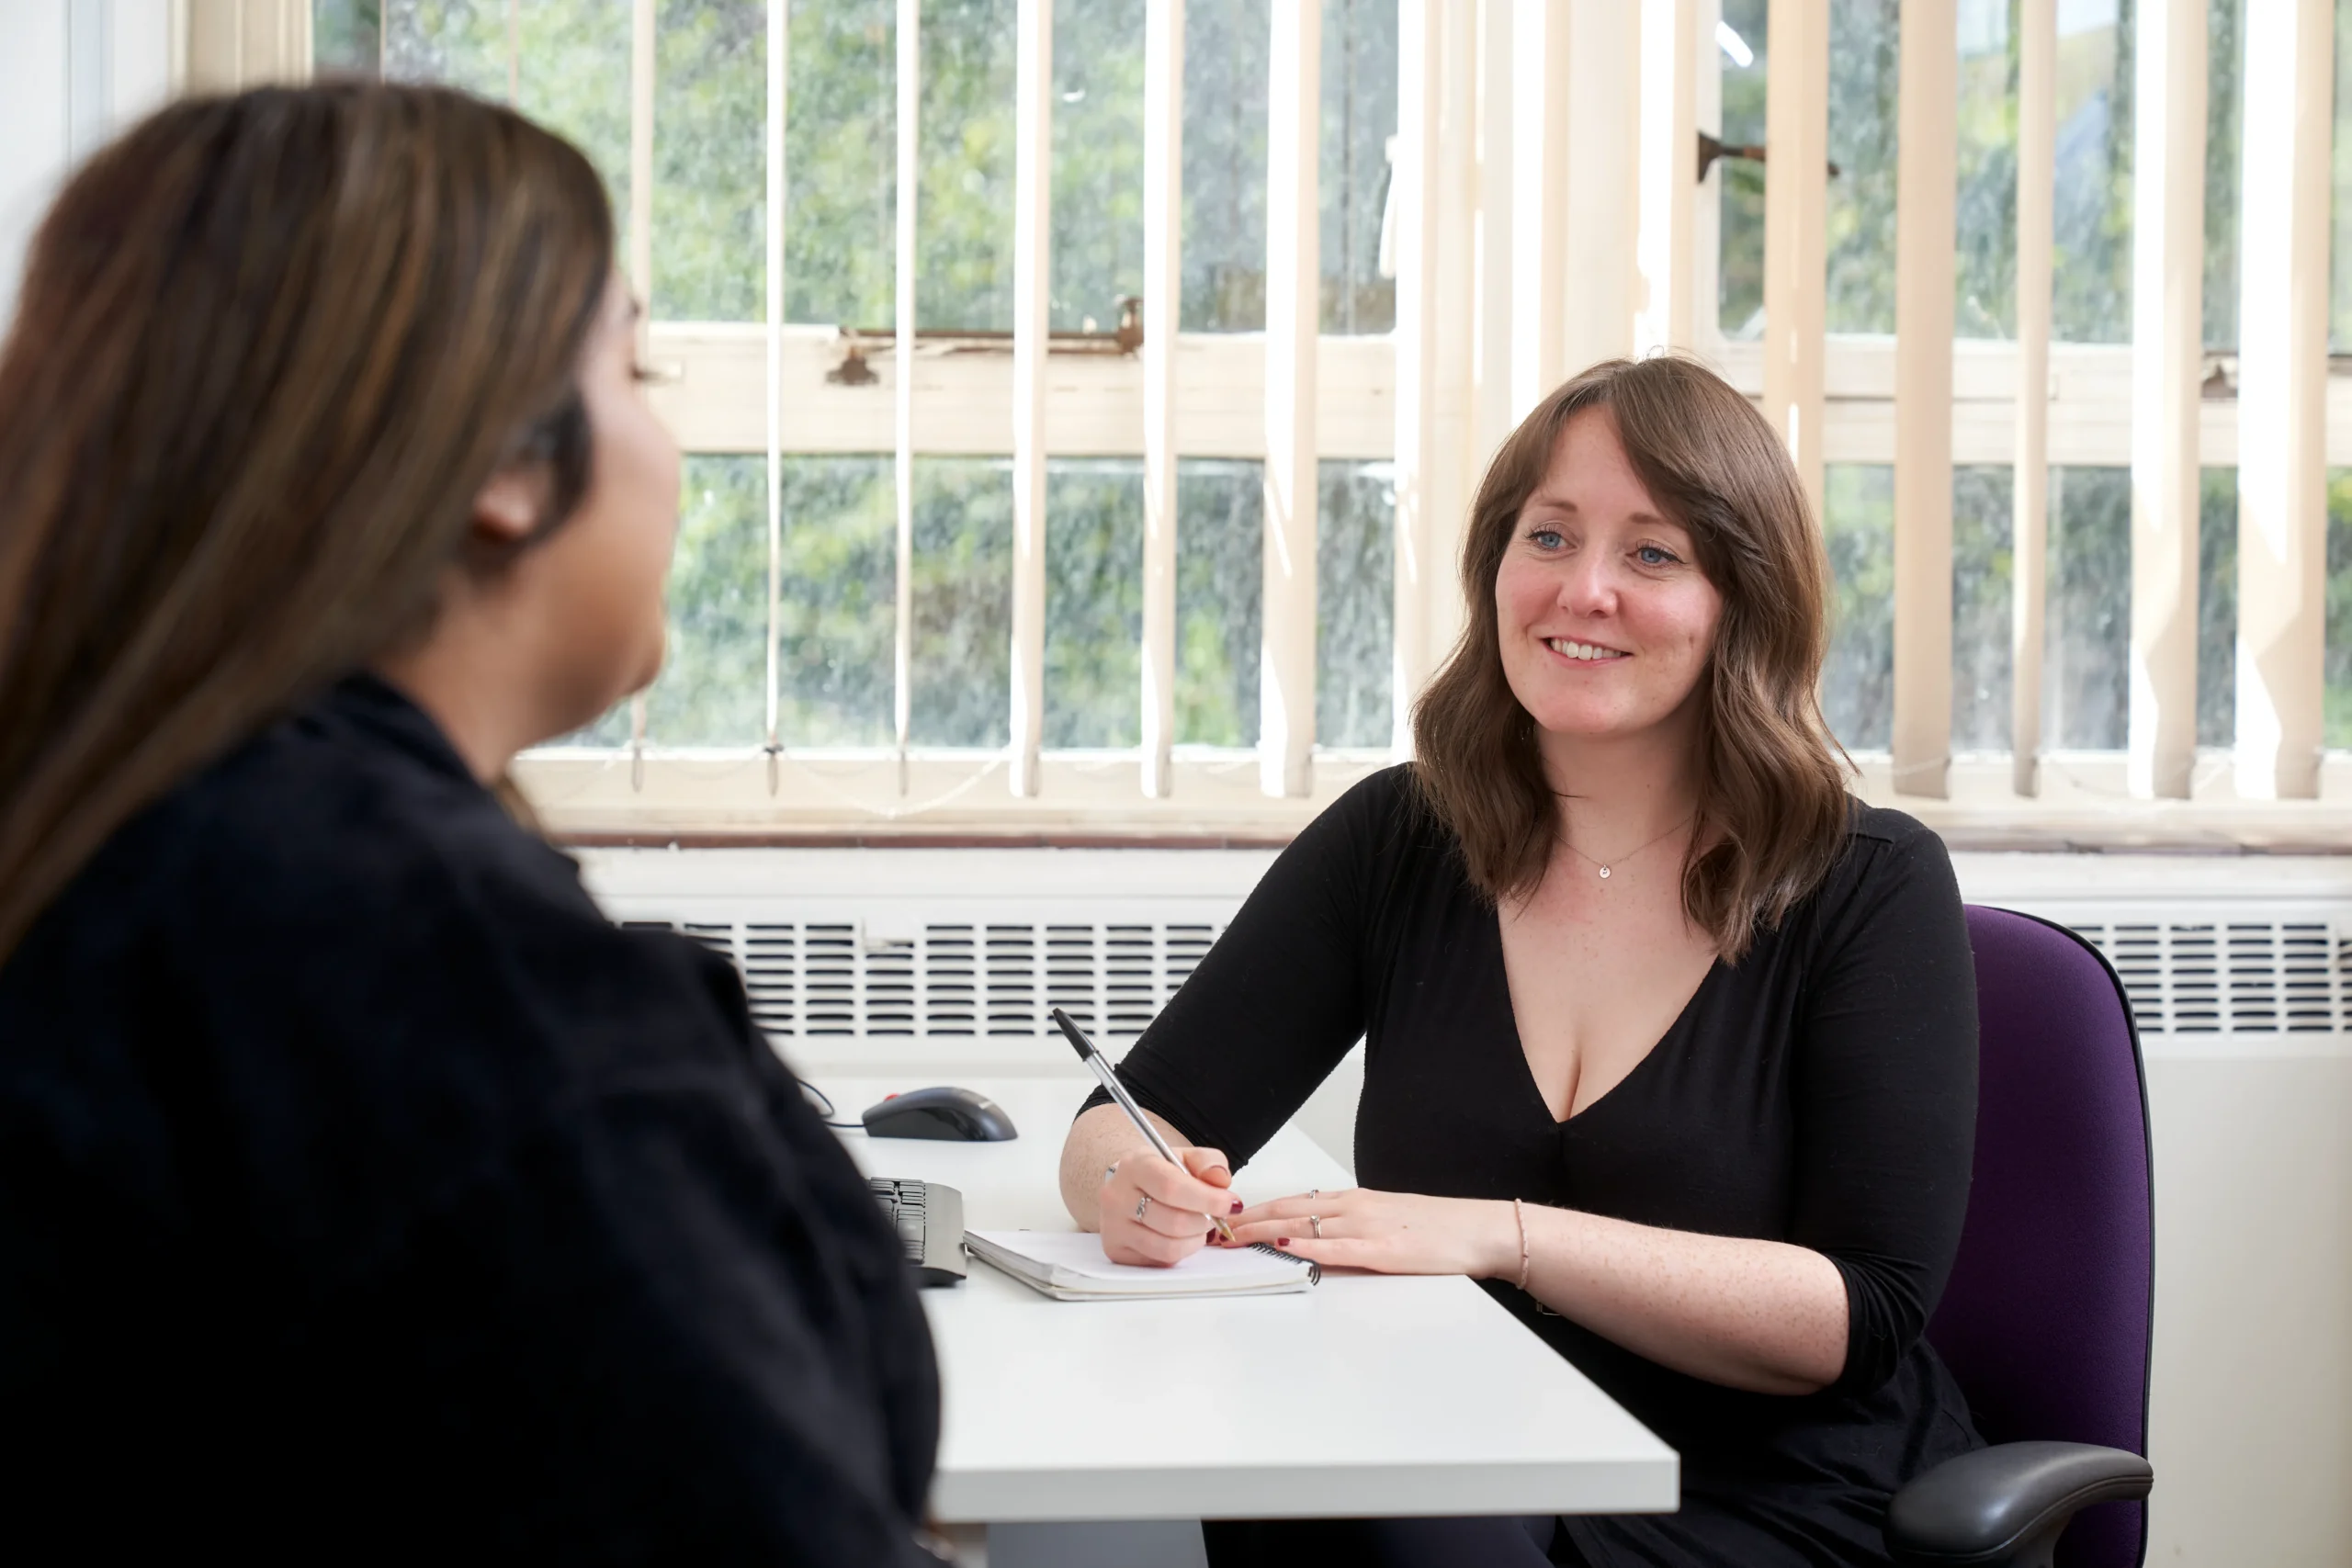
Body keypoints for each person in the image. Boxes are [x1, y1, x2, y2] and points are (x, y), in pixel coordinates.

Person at [0, 85, 944, 1562]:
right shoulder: (438, 979)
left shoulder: (115, 848)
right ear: (506, 463)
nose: (669, 450)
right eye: (634, 367)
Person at [1057, 356, 1983, 1567]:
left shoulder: (1869, 883)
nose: (1583, 589)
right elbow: (1126, 1117)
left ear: (1739, 602)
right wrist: (1132, 1185)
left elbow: (1858, 1314)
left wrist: (1504, 1233)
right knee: (1289, 1486)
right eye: (1549, 536)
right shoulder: (1402, 837)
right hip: (1469, 1448)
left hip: (1772, 1496)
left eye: (1652, 554)